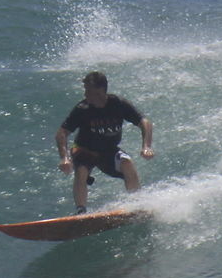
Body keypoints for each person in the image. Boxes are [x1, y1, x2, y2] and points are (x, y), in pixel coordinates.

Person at [55, 71, 154, 214]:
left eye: (88, 90)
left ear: (100, 90)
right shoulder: (82, 109)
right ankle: (81, 211)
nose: (85, 94)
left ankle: (137, 206)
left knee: (127, 163)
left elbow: (145, 122)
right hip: (84, 150)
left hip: (108, 150)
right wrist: (64, 157)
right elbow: (62, 133)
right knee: (81, 172)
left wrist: (146, 146)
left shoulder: (118, 104)